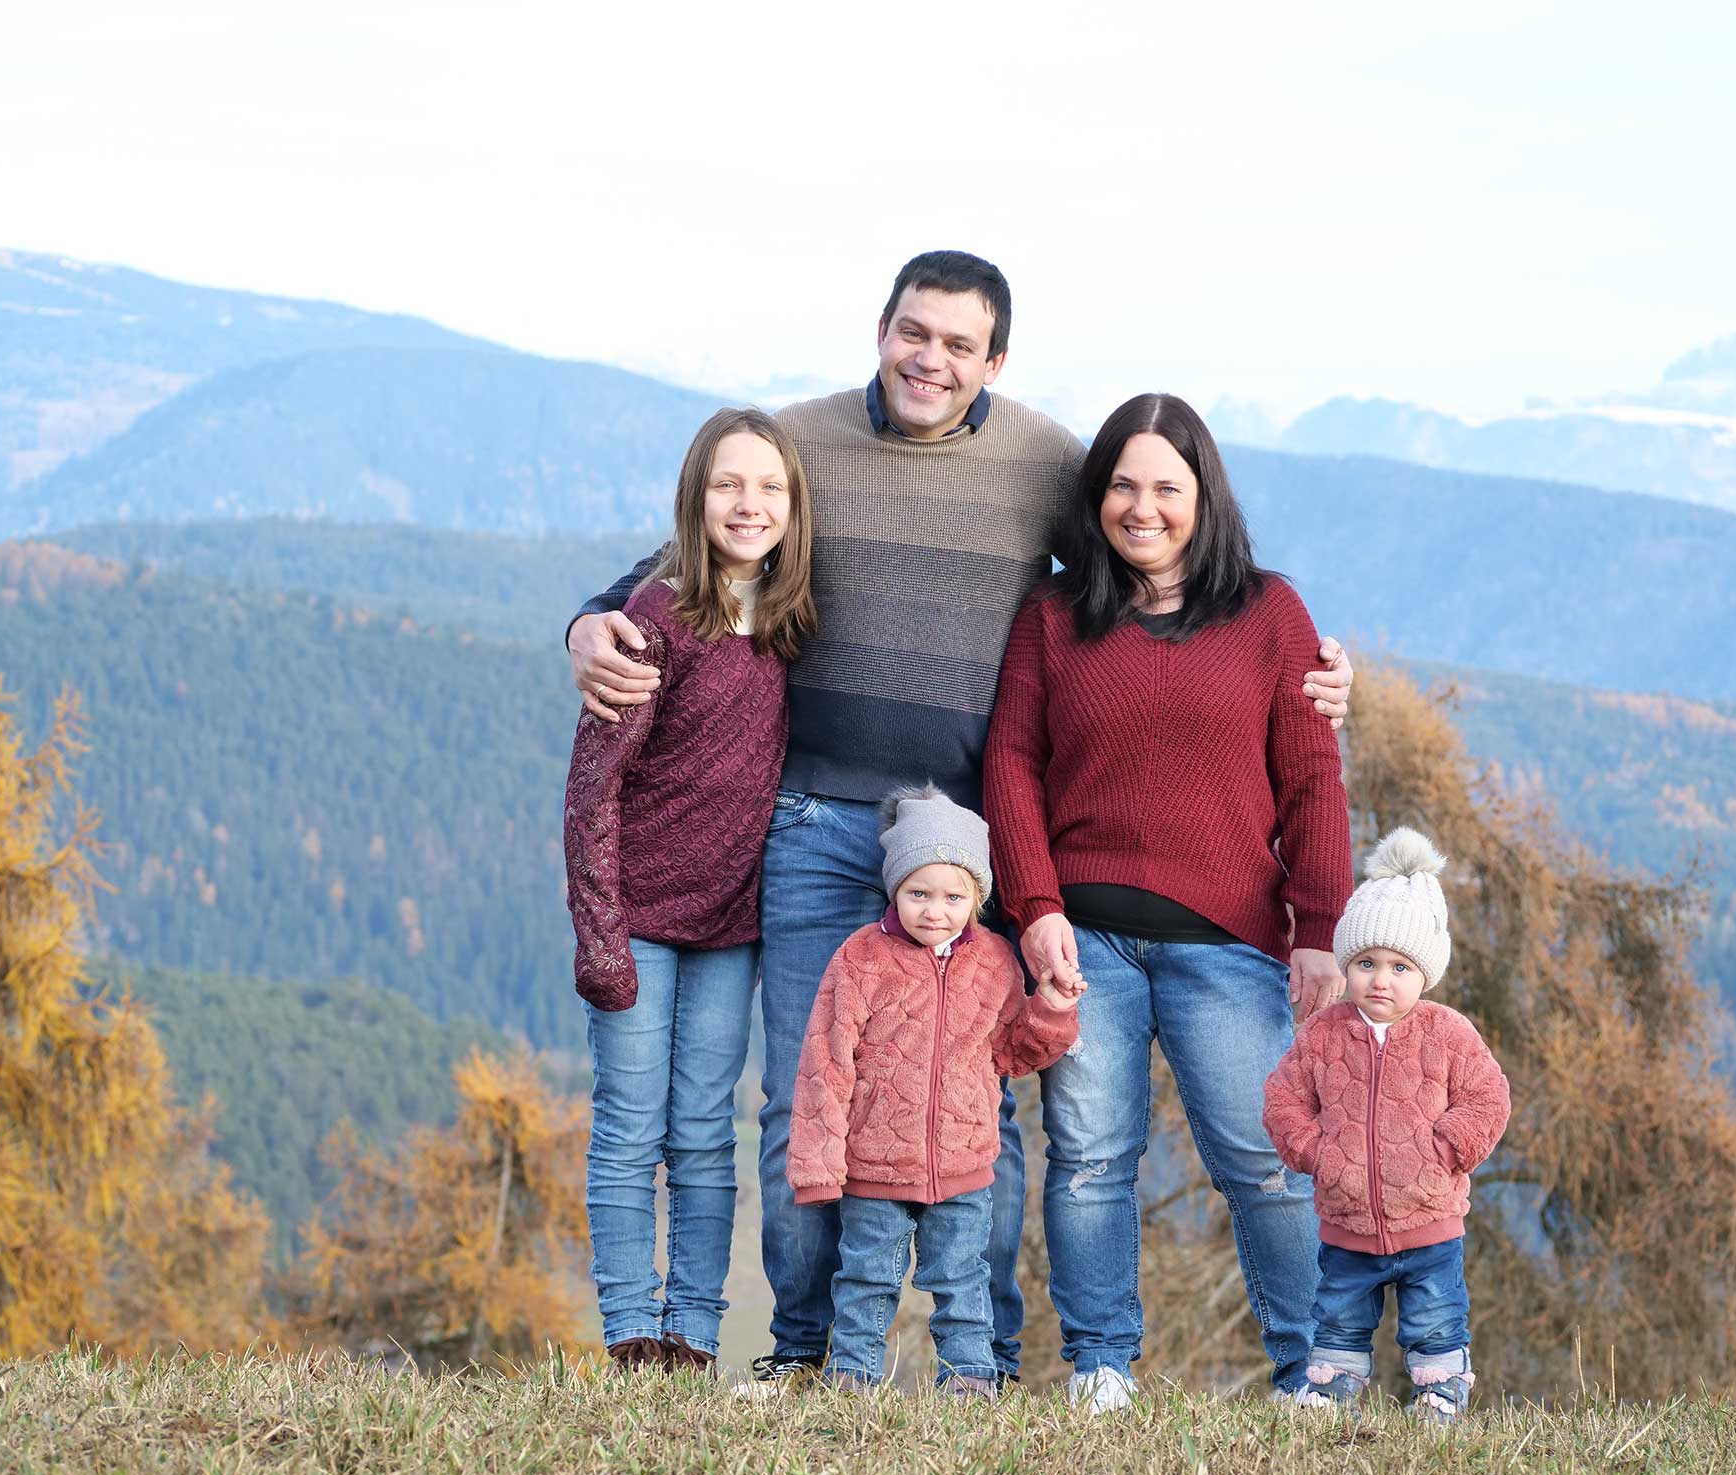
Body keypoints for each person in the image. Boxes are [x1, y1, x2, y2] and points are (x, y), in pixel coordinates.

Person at [568, 252, 1354, 1390]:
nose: (928, 359)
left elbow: (1158, 583)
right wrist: (590, 623)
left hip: (958, 849)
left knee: (977, 1107)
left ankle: (978, 1361)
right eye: (912, 332)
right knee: (804, 1100)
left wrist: (1317, 673)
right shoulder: (804, 442)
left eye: (957, 343)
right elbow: (700, 550)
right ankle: (804, 1351)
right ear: (881, 330)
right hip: (813, 825)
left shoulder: (1045, 461)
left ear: (994, 360)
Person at [983, 392, 1352, 1411]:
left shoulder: (1271, 615)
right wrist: (1036, 902)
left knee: (1266, 1161)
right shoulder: (1053, 616)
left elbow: (1315, 778)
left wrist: (1320, 933)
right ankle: (1101, 1366)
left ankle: (1312, 1374)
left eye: (1166, 488)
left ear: (1204, 496)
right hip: (1082, 936)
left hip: (1226, 942)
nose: (1142, 507)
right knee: (1092, 1158)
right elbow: (1012, 762)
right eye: (1123, 486)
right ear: (1097, 496)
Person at [562, 408, 816, 1372]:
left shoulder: (795, 623)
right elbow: (591, 792)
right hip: (637, 922)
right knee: (630, 1124)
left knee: (705, 1134)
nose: (748, 505)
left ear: (794, 506)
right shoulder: (656, 618)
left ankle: (693, 1336)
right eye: (727, 485)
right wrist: (600, 937)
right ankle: (631, 1332)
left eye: (769, 489)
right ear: (694, 498)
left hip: (730, 926)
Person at [786, 787, 1084, 1393]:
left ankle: (971, 1379)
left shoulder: (996, 960)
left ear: (977, 897)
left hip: (964, 1165)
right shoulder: (861, 959)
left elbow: (1009, 1053)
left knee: (962, 1277)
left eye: (954, 896)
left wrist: (1049, 1010)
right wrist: (818, 1167)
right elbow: (826, 1062)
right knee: (866, 1276)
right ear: (895, 889)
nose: (935, 910)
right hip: (873, 1165)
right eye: (919, 893)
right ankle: (852, 1378)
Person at [1262, 827, 1512, 1421]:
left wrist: (1445, 1148)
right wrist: (1317, 1152)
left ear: (1425, 973)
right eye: (1367, 963)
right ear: (1348, 965)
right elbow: (1283, 1100)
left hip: (1429, 1220)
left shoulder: (1447, 1033)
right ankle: (1329, 1390)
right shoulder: (1322, 1034)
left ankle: (1440, 1395)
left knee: (1435, 1318)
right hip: (1346, 1223)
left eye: (1400, 967)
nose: (1381, 979)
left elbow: (1488, 1097)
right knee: (1340, 1315)